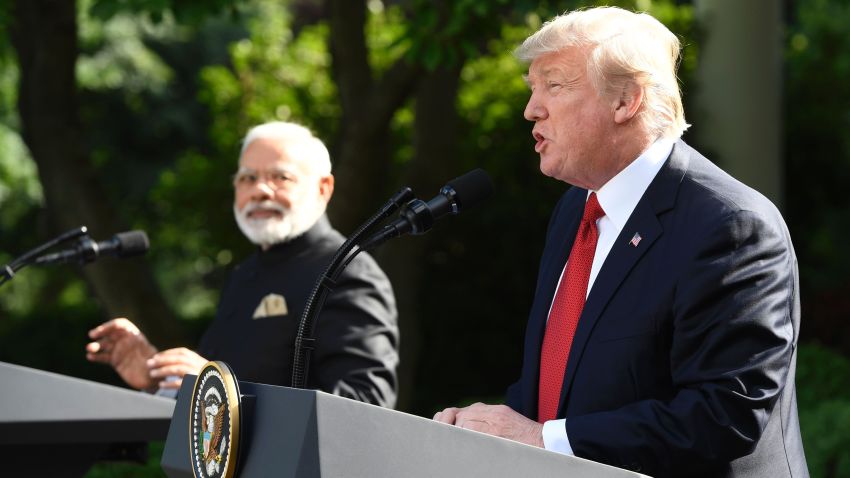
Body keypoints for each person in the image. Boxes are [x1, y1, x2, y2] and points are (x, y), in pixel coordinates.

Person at [433, 7, 807, 477]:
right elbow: (559, 386)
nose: (531, 108)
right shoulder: (576, 208)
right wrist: (482, 426)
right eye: (533, 87)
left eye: (554, 85)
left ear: (625, 101)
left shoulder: (731, 225)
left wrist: (540, 439)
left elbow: (723, 416)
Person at [86, 121, 399, 408]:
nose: (260, 191)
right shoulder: (244, 275)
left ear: (323, 188)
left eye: (281, 177)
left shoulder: (347, 270)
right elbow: (217, 410)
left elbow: (367, 402)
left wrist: (223, 389)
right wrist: (159, 378)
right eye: (248, 178)